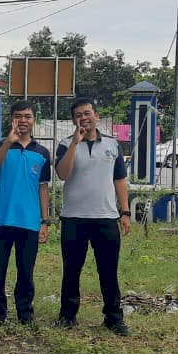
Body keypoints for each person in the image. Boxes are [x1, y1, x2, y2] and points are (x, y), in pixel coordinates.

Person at [54, 97, 131, 336]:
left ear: (96, 116)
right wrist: (75, 144)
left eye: (87, 113)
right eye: (78, 115)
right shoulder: (65, 144)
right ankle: (68, 315)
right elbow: (62, 175)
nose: (83, 118)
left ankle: (113, 317)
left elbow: (119, 179)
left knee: (108, 270)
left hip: (105, 217)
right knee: (71, 269)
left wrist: (125, 211)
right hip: (73, 217)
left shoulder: (112, 144)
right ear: (73, 120)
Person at [0, 100, 51, 325]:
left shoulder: (42, 152)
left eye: (27, 116)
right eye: (18, 116)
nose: (23, 120)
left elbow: (43, 187)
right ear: (11, 119)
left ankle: (25, 312)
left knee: (26, 272)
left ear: (34, 120)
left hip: (30, 221)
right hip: (3, 218)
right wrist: (8, 142)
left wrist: (45, 220)